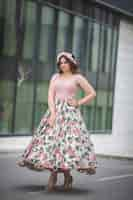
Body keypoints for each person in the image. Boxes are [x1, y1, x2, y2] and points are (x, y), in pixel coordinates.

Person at [17, 51, 97, 191]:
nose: (62, 65)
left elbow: (92, 93)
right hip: (54, 112)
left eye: (65, 62)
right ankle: (53, 176)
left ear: (71, 63)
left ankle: (67, 176)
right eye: (60, 63)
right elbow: (50, 95)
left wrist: (78, 102)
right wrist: (53, 113)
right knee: (52, 144)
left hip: (70, 116)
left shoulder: (77, 78)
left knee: (66, 146)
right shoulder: (55, 77)